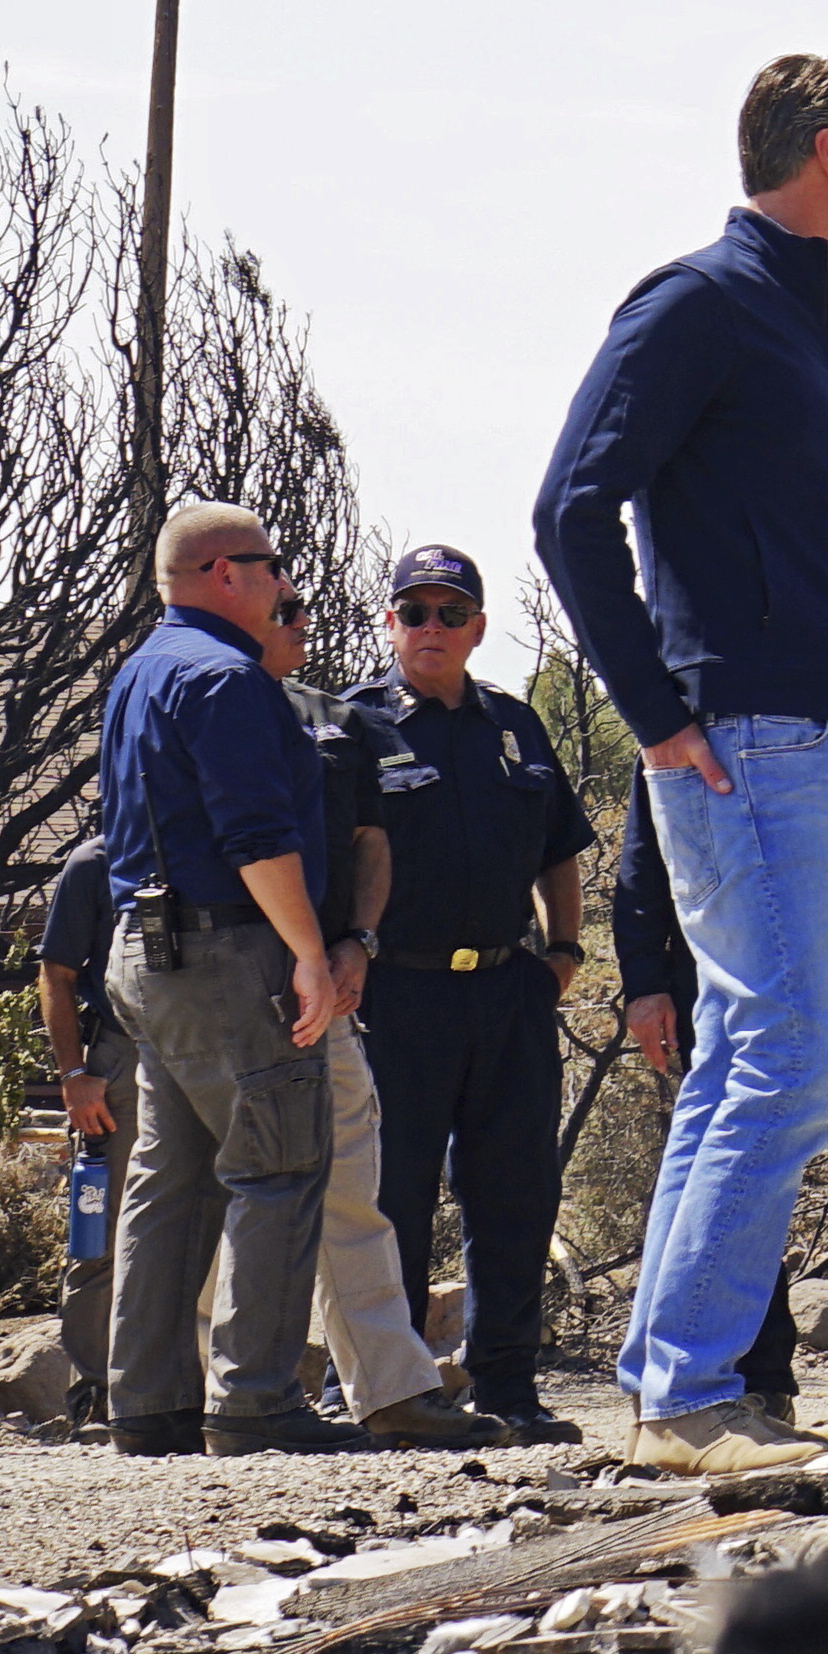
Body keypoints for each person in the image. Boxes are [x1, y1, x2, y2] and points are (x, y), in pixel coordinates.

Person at [532, 50, 828, 1479]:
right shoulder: (697, 302)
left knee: (752, 1062)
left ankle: (672, 1389)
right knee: (795, 1064)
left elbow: (806, 543)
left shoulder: (797, 327)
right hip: (746, 745)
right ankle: (689, 1395)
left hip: (817, 743)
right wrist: (654, 711)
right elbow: (569, 509)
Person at [612, 656, 828, 1412]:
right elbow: (647, 839)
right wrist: (644, 977)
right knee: (735, 1159)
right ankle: (755, 1381)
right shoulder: (687, 673)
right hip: (720, 962)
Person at [93, 501, 347, 1456]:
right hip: (227, 952)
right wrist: (311, 953)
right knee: (277, 1165)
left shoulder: (139, 672)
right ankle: (254, 1403)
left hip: (144, 955)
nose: (285, 582)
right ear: (223, 573)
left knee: (171, 1177)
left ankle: (147, 1403)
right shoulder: (227, 678)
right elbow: (255, 838)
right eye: (271, 564)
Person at [343, 545, 593, 1438]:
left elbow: (558, 849)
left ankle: (508, 1385)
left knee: (516, 1194)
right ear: (390, 623)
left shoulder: (516, 726)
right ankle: (393, 1388)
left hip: (506, 991)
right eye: (415, 612)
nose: (432, 628)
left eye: (451, 613)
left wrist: (562, 952)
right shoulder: (352, 725)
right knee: (391, 1198)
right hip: (395, 996)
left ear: (478, 628)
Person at [260, 590, 505, 1448]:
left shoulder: (337, 721)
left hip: (335, 981)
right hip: (234, 976)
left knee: (356, 1193)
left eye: (300, 603)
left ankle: (392, 1392)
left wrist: (352, 941)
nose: (301, 618)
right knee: (233, 1191)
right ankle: (226, 1397)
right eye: (281, 605)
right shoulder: (200, 699)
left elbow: (370, 838)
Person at [38, 831, 117, 1428]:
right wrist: (73, 1075)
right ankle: (94, 1395)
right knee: (98, 1234)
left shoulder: (223, 843)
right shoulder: (94, 862)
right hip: (118, 1063)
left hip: (214, 1056)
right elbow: (56, 974)